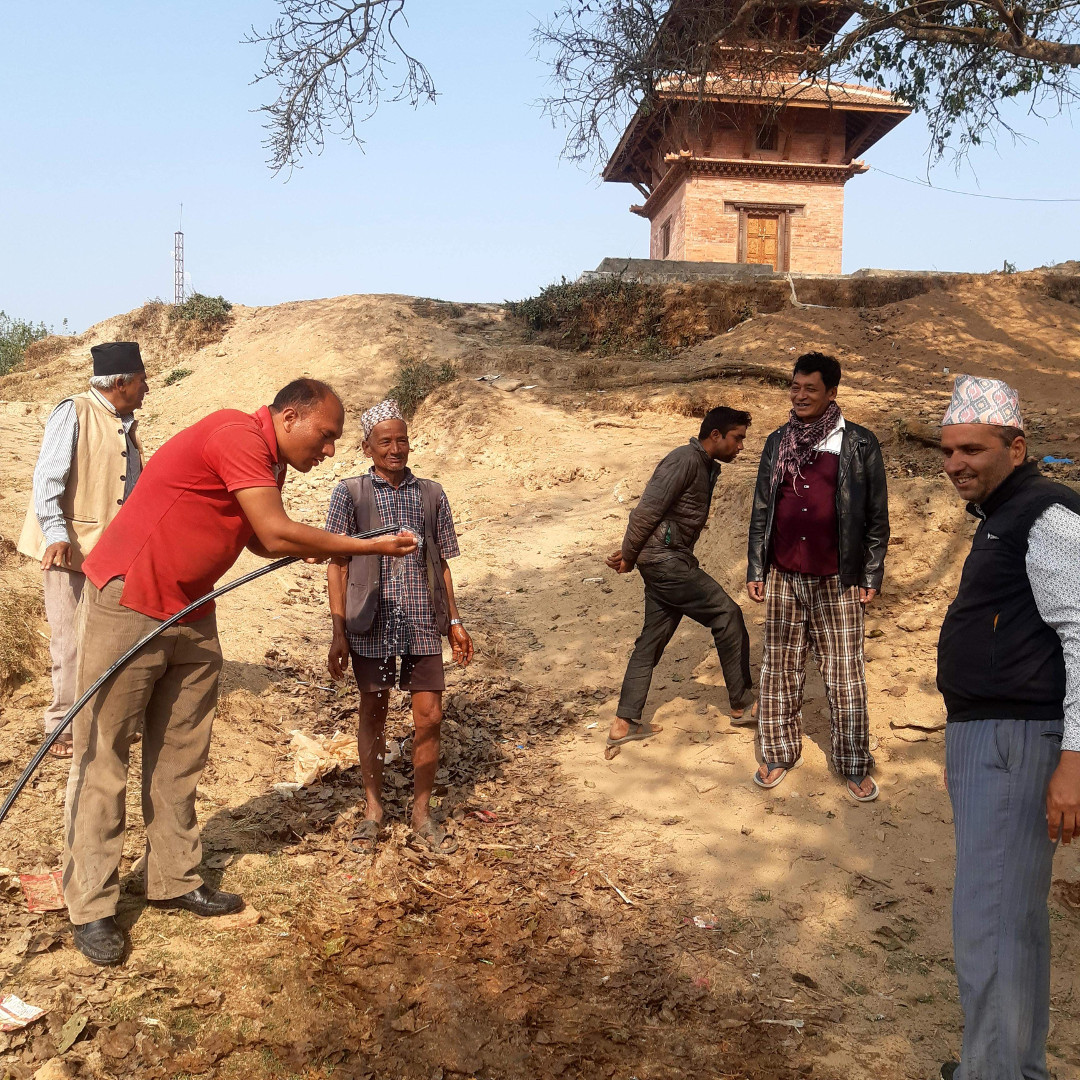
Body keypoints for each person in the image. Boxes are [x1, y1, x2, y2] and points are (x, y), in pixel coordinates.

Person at [63, 379, 416, 965]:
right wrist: (368, 546)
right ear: (290, 415)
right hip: (129, 598)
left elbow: (259, 541)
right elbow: (276, 532)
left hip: (191, 607)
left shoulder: (267, 460)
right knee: (103, 755)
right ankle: (91, 905)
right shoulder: (235, 432)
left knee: (181, 751)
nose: (330, 450)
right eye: (325, 436)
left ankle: (173, 878)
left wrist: (330, 547)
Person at [935, 375, 1080, 1080]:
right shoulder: (1002, 514)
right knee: (1009, 922)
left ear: (1015, 446)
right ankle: (1011, 1068)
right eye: (947, 451)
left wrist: (1074, 763)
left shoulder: (1043, 514)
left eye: (972, 448)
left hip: (1015, 743)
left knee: (989, 924)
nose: (956, 463)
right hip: (989, 741)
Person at [325, 399, 473, 855]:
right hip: (370, 624)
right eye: (385, 441)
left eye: (402, 439)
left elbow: (441, 561)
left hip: (421, 626)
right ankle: (373, 812)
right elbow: (337, 563)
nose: (396, 449)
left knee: (429, 716)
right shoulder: (350, 493)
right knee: (373, 713)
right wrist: (339, 632)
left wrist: (453, 620)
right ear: (367, 446)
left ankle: (422, 814)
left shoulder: (431, 494)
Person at [746, 352, 888, 801]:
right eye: (795, 386)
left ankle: (852, 763)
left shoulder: (860, 444)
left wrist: (870, 572)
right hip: (785, 574)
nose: (800, 395)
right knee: (779, 669)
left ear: (831, 393)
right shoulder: (777, 441)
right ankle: (777, 754)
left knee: (845, 672)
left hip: (838, 578)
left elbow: (876, 518)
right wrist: (756, 567)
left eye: (810, 388)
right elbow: (762, 510)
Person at [17, 342, 148, 759]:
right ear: (122, 382)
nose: (148, 389)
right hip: (67, 549)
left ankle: (102, 716)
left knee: (107, 636)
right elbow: (48, 479)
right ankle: (62, 726)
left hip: (108, 552)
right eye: (143, 381)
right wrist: (55, 532)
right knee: (69, 641)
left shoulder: (124, 422)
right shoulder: (73, 411)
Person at [605, 406, 754, 752]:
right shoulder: (684, 460)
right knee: (727, 614)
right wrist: (628, 554)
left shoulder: (701, 464)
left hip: (665, 559)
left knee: (652, 639)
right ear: (715, 435)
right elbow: (647, 510)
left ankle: (623, 723)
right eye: (738, 438)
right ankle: (742, 704)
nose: (741, 446)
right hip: (665, 561)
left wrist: (634, 554)